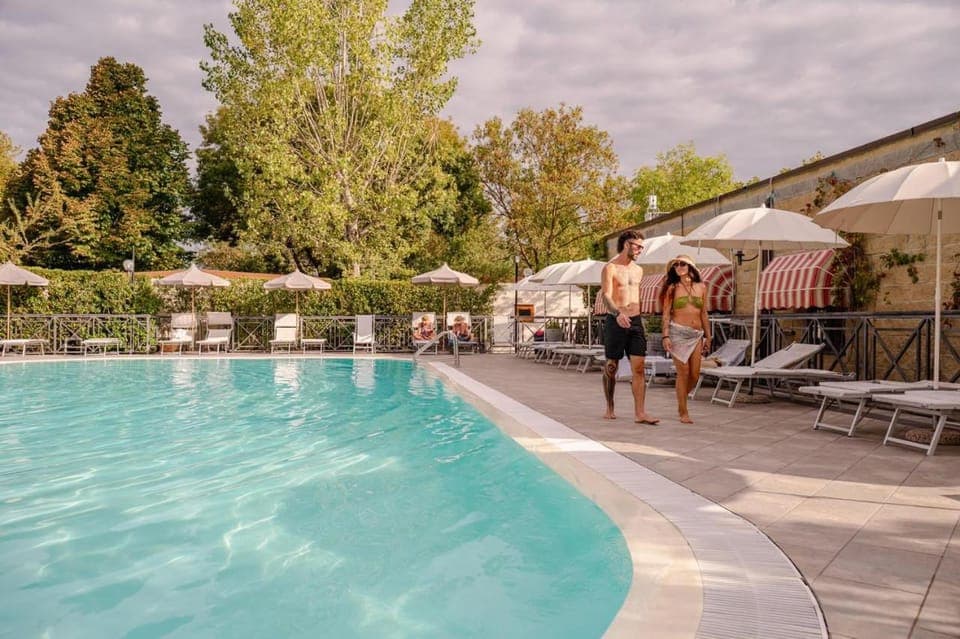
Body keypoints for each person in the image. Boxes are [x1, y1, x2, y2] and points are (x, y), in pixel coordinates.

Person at [600, 230, 659, 424]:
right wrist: (618, 314)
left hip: (635, 321)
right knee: (611, 366)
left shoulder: (638, 270)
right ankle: (610, 407)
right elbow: (606, 296)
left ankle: (640, 413)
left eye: (642, 246)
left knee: (639, 368)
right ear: (627, 244)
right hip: (615, 320)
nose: (641, 250)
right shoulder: (610, 268)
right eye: (638, 246)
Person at [658, 255, 711, 424]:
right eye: (676, 265)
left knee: (695, 375)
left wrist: (708, 336)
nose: (679, 266)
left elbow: (704, 313)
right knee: (684, 373)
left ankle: (681, 398)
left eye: (682, 264)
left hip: (696, 335)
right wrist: (665, 335)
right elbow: (666, 314)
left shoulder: (701, 287)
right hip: (677, 333)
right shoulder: (672, 288)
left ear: (690, 266)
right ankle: (683, 411)